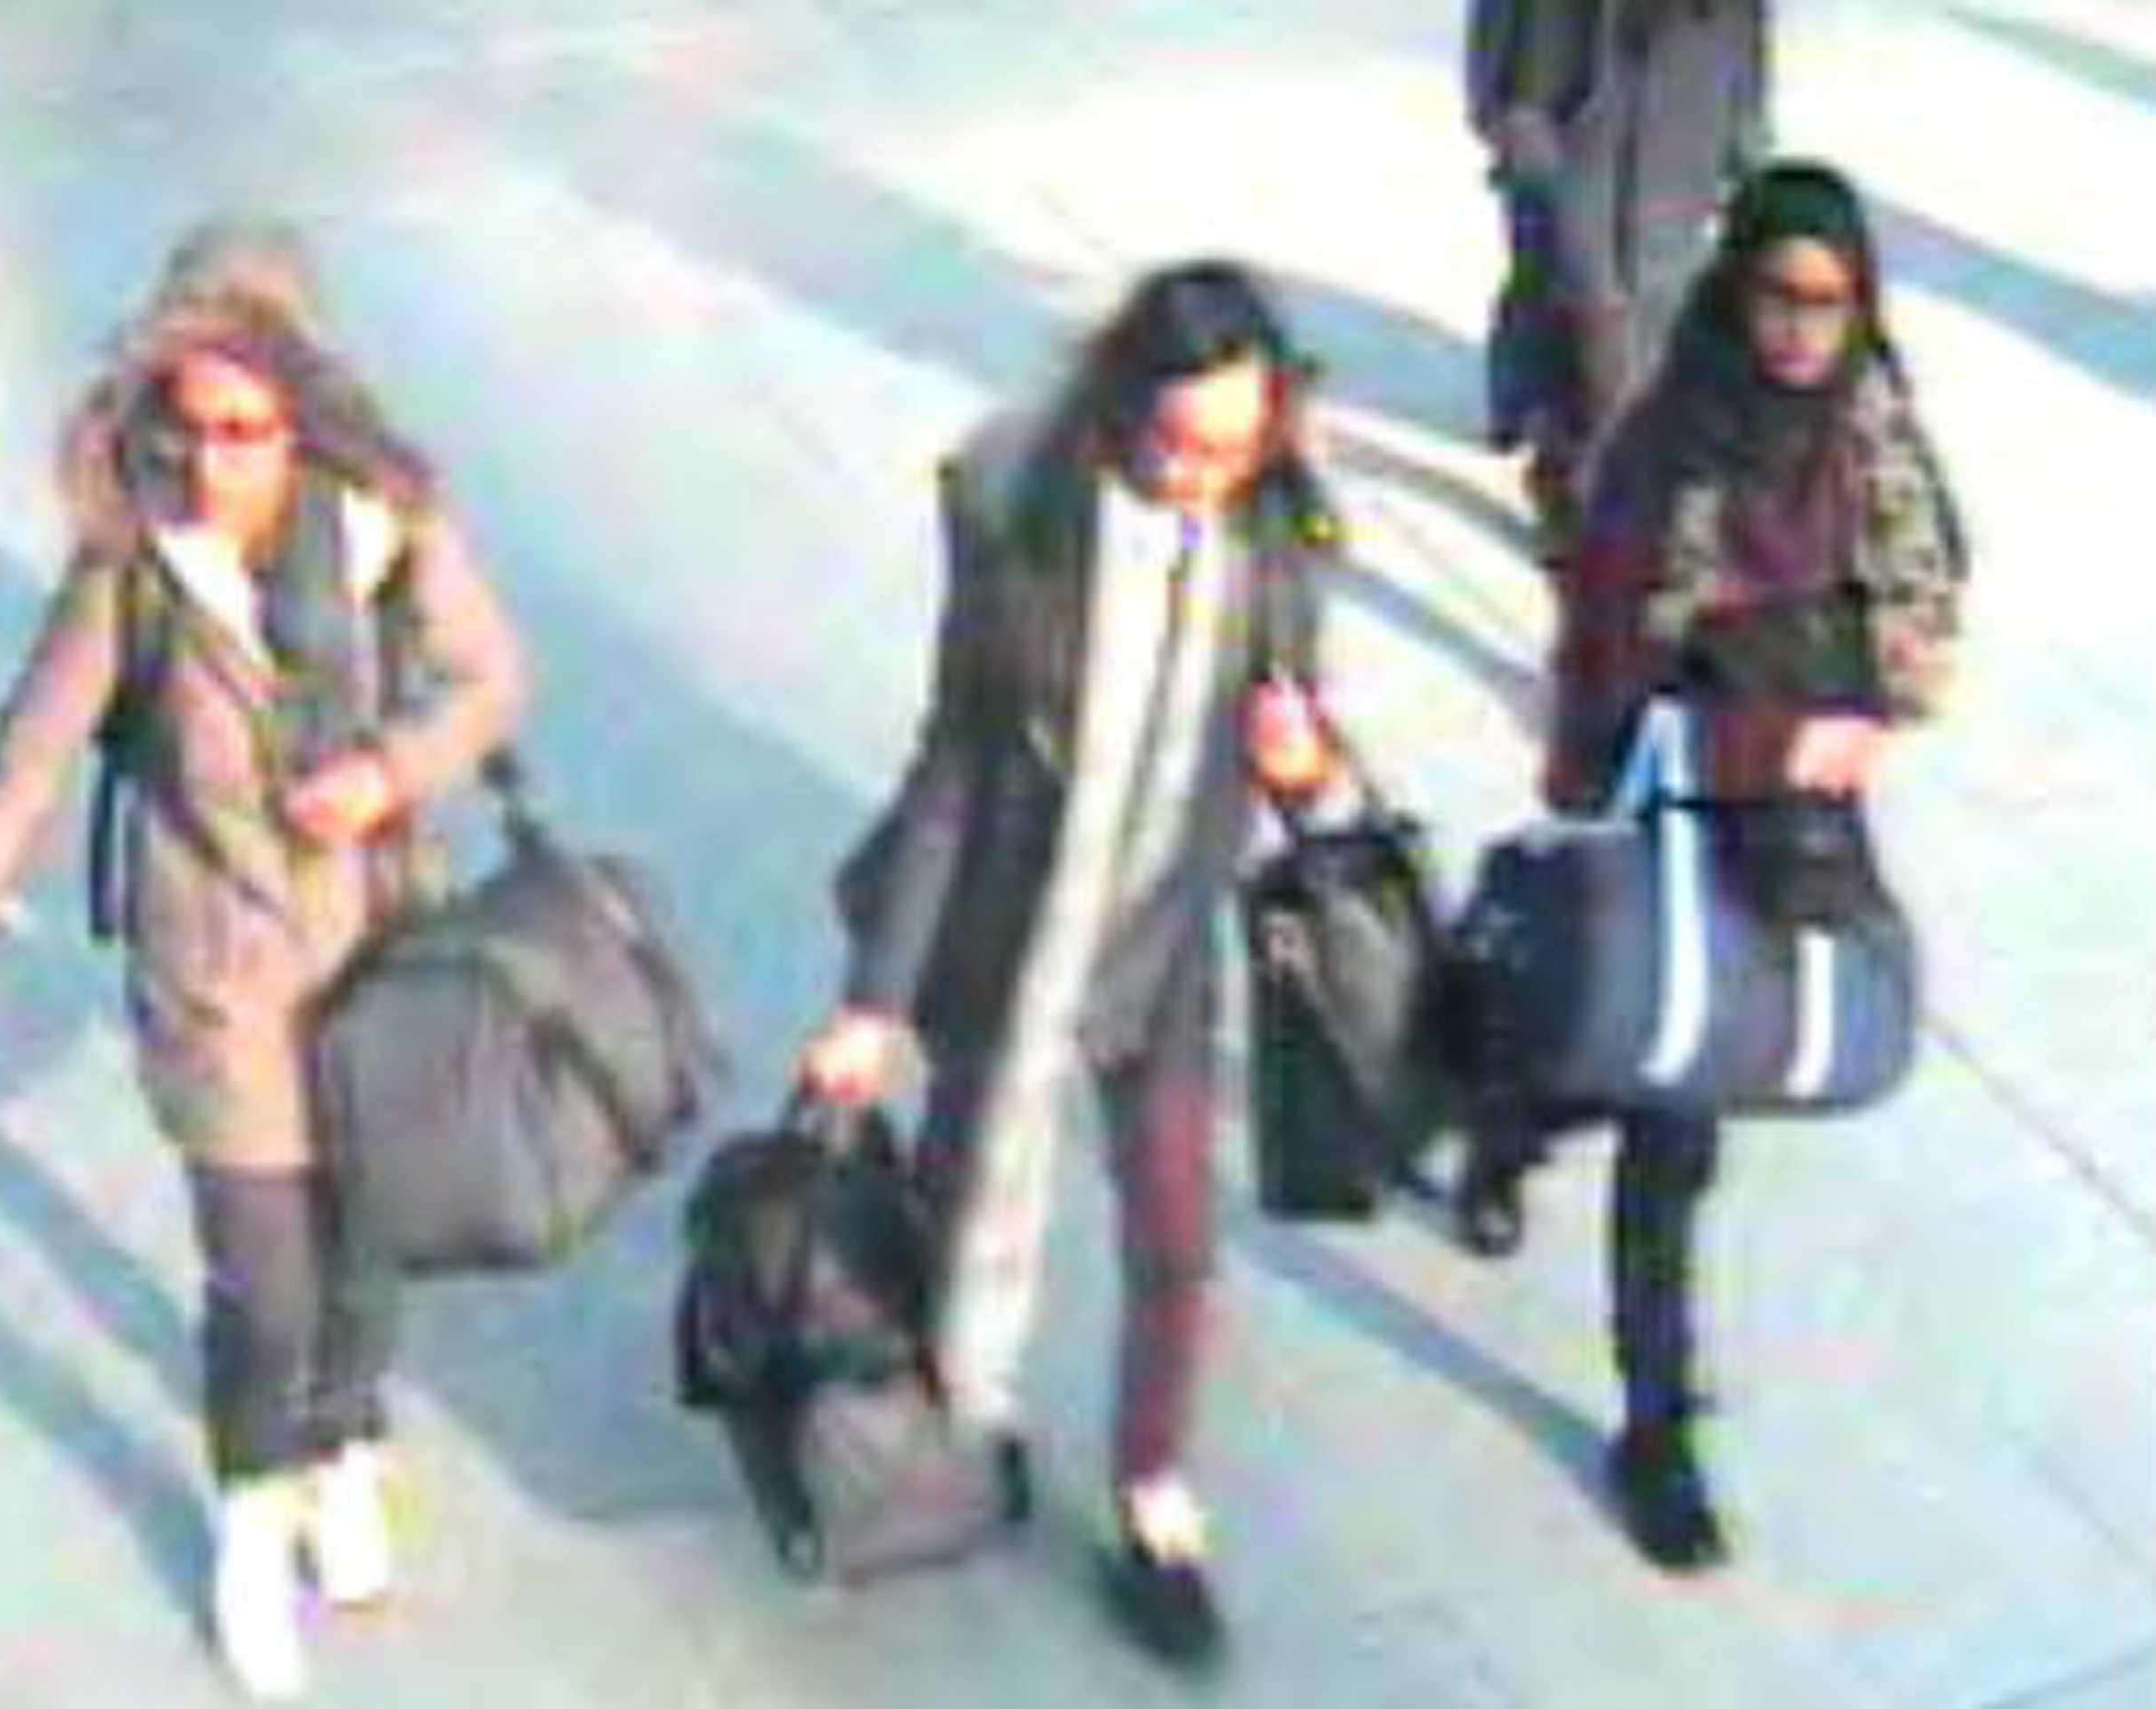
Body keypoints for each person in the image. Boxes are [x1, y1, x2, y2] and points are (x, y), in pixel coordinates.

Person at [0, 221, 526, 1699]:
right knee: (267, 1282)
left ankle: (343, 1437)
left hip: (379, 957)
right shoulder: (132, 568)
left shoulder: (387, 529)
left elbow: (491, 679)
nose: (212, 467)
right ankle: (255, 1525)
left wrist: (388, 771)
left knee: (367, 1253)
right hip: (217, 979)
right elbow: (21, 771)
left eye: (247, 434)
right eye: (185, 431)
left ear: (303, 417)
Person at [802, 260, 1340, 1670]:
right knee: (958, 1191)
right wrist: (873, 1002)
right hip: (1011, 945)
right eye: (1176, 444)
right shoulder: (1029, 535)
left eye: (1233, 446)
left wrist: (1305, 766)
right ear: (1119, 411)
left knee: (1177, 1246)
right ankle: (958, 1432)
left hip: (1159, 960)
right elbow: (954, 773)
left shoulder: (1277, 534)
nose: (1201, 476)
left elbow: (1303, 750)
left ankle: (1153, 1493)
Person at [1454, 161, 1968, 1572]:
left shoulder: (1875, 433)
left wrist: (1870, 711)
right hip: (1672, 795)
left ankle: (1511, 1117)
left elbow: (1927, 613)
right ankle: (1655, 1419)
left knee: (1690, 1076)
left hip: (1799, 818)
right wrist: (1701, 731)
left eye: (1832, 301)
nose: (1803, 328)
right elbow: (1610, 641)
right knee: (1664, 1093)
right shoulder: (1666, 439)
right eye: (1779, 295)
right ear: (1735, 289)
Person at [1467, 0, 1771, 561]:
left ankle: (1607, 469)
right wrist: (1499, 103)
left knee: (1656, 300)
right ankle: (1583, 484)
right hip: (1564, 97)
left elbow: (1748, 21)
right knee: (1586, 291)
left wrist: (1746, 126)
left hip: (1686, 99)